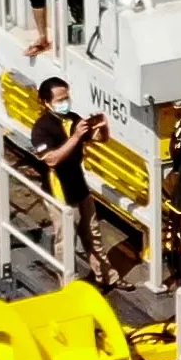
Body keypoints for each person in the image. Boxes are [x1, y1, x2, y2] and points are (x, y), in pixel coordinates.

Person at [30, 77, 133, 290]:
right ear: (46, 102)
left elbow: (98, 138)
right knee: (66, 240)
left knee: (93, 234)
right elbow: (52, 159)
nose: (65, 102)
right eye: (60, 99)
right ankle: (69, 285)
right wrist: (76, 137)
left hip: (80, 187)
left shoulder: (73, 118)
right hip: (60, 192)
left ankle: (107, 276)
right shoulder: (41, 129)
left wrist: (102, 127)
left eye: (67, 97)